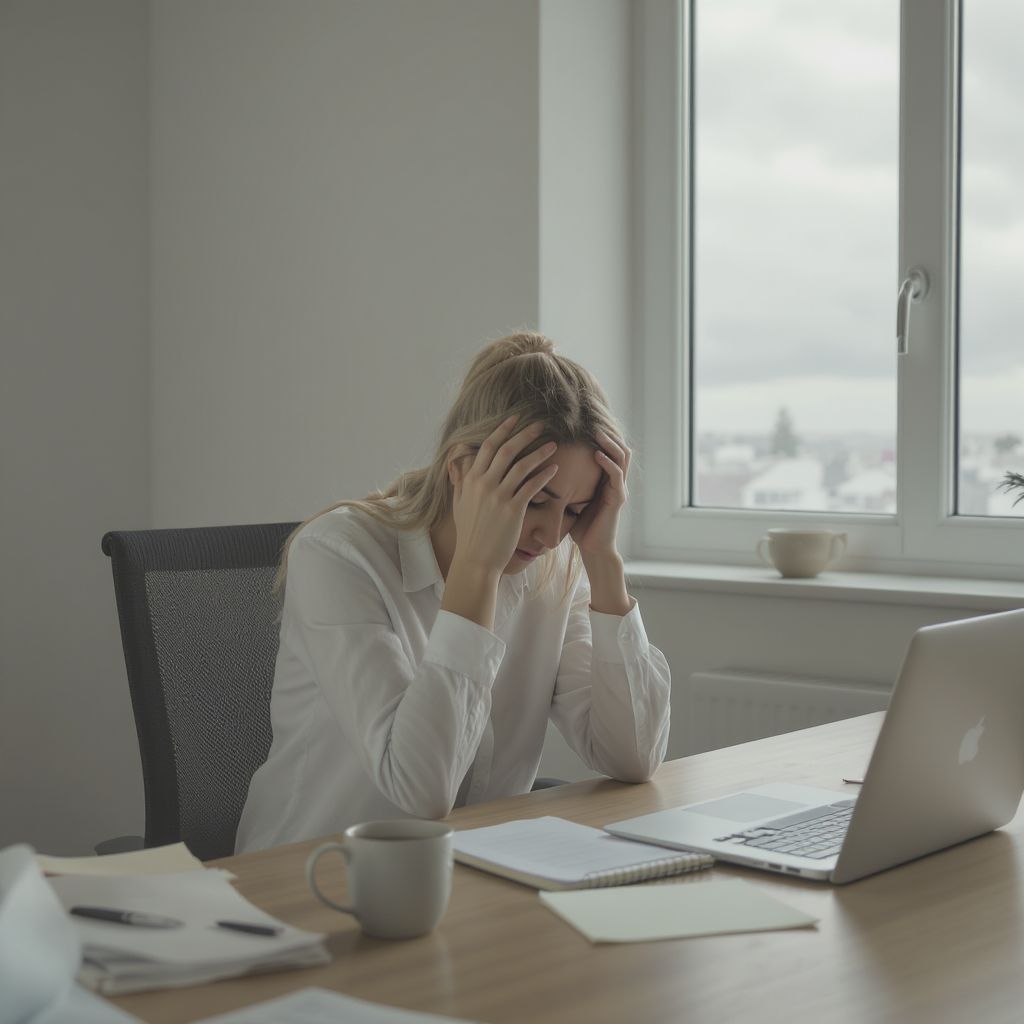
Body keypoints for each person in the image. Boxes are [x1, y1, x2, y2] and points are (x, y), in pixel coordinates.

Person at [235, 333, 671, 853]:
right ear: (463, 471)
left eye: (575, 510)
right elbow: (419, 788)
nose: (553, 535)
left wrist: (602, 560)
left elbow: (634, 756)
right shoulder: (340, 555)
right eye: (535, 501)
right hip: (311, 876)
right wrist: (477, 570)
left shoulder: (554, 567)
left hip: (476, 874)